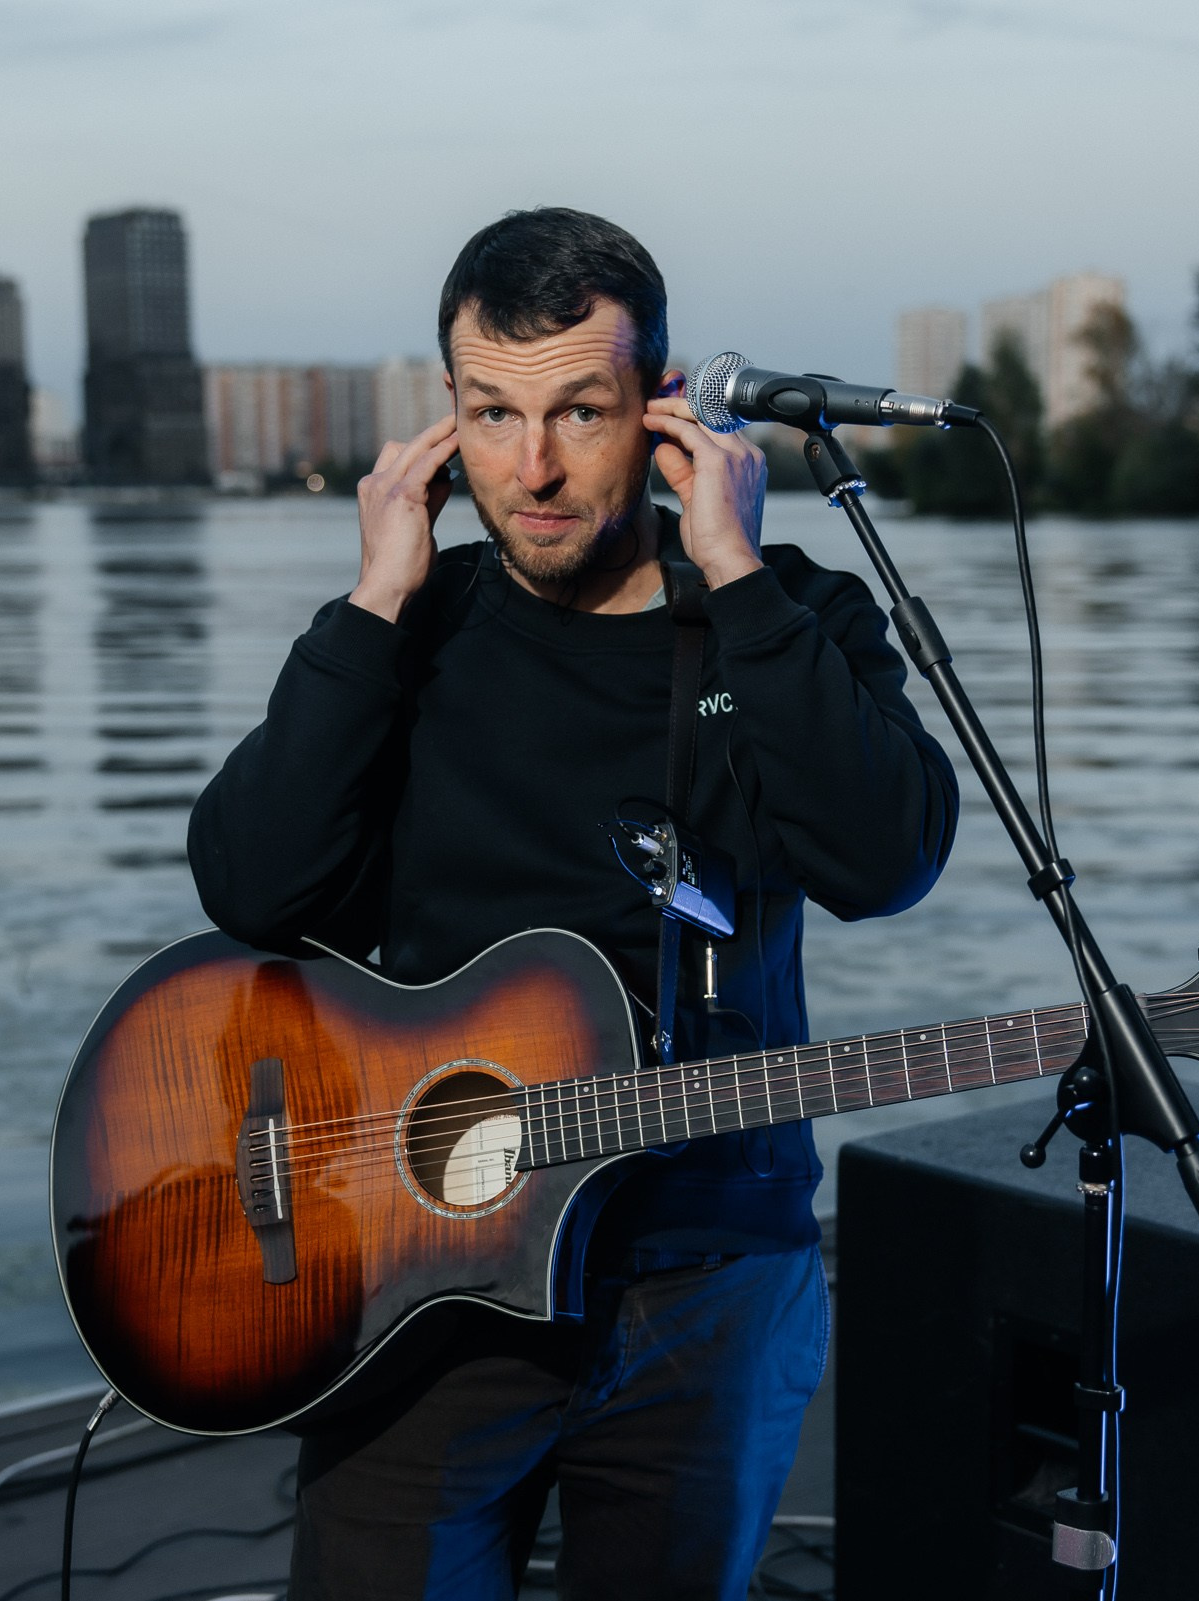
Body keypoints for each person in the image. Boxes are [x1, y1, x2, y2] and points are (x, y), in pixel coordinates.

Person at [187, 207, 959, 1599]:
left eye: (579, 413)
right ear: (447, 415)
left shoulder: (787, 615)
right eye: (494, 413)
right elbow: (252, 888)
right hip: (419, 1268)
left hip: (705, 1272)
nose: (532, 468)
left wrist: (737, 576)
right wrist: (372, 600)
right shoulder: (408, 629)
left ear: (661, 408)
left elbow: (883, 862)